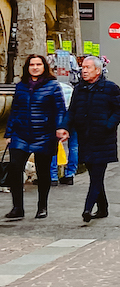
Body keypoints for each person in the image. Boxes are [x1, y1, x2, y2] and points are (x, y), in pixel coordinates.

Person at [4, 54, 69, 220]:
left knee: (43, 171)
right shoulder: (21, 86)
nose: (35, 67)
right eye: (32, 64)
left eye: (38, 64)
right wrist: (9, 133)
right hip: (21, 133)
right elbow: (14, 111)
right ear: (28, 67)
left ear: (44, 67)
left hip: (44, 133)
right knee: (14, 168)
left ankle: (42, 207)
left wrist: (60, 127)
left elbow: (60, 109)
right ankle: (17, 207)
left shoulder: (53, 86)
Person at [68, 55, 120, 223]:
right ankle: (103, 207)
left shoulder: (110, 88)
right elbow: (72, 111)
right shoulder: (79, 89)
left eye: (87, 68)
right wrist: (64, 127)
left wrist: (108, 125)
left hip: (103, 139)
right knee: (94, 173)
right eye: (83, 68)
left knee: (96, 175)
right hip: (85, 137)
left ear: (97, 70)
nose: (84, 71)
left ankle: (87, 209)